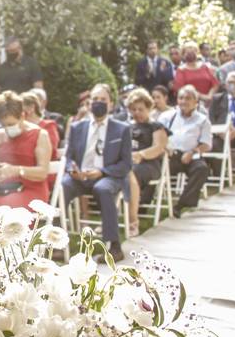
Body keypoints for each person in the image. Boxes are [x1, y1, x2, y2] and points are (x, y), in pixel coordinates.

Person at [61, 84, 132, 262]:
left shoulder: (122, 129)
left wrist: (101, 172)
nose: (98, 103)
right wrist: (72, 169)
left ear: (111, 104)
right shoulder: (78, 127)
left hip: (108, 176)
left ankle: (114, 246)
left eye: (103, 100)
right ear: (88, 103)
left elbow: (126, 164)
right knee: (63, 186)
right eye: (94, 100)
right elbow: (68, 157)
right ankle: (56, 244)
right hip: (81, 176)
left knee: (103, 189)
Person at [0, 91, 52, 229]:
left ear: (22, 115)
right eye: (4, 125)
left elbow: (43, 172)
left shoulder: (40, 135)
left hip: (31, 189)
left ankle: (10, 250)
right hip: (2, 189)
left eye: (11, 124)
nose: (8, 128)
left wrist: (16, 170)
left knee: (6, 211)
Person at [158, 86, 212, 218]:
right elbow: (157, 136)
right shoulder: (167, 116)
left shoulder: (202, 120)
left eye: (188, 98)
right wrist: (165, 148)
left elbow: (207, 144)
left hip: (191, 155)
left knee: (202, 169)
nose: (183, 101)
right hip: (170, 154)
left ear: (196, 102)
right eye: (181, 98)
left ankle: (180, 205)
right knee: (155, 167)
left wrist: (193, 152)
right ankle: (143, 202)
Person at [125, 88, 169, 235]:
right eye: (133, 109)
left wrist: (141, 154)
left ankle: (133, 221)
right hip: (129, 163)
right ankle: (111, 219)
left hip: (149, 164)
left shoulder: (156, 126)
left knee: (131, 175)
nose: (137, 112)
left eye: (141, 109)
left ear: (149, 108)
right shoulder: (127, 127)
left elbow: (159, 147)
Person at [174, 41, 219, 107]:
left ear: (197, 53)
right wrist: (202, 97)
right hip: (191, 104)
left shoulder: (205, 67)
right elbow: (180, 89)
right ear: (183, 54)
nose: (190, 54)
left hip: (210, 104)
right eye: (187, 52)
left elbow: (215, 84)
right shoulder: (181, 70)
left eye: (193, 51)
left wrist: (209, 96)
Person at [22, 91, 59, 160]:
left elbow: (51, 153)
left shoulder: (48, 126)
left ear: (31, 108)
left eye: (20, 109)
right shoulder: (20, 128)